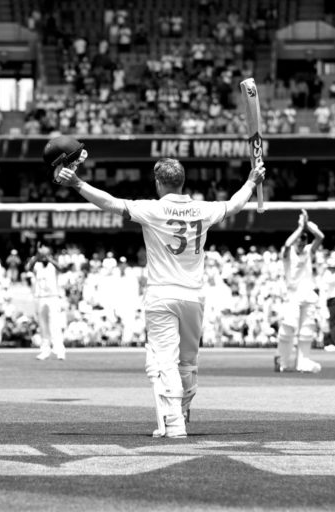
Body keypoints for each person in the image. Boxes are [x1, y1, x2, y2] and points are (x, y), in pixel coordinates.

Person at [55, 156, 264, 438]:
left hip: (161, 294)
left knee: (164, 360)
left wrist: (78, 183)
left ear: (158, 182)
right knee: (188, 361)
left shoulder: (151, 209)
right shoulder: (204, 209)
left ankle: (175, 423)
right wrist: (252, 181)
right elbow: (235, 205)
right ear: (182, 182)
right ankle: (184, 409)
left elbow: (110, 202)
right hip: (194, 295)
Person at [276, 210, 325, 373]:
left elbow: (320, 237)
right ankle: (282, 361)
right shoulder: (288, 252)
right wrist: (299, 227)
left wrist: (308, 225)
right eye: (300, 241)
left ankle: (302, 362)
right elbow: (288, 244)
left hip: (308, 294)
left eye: (304, 242)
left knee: (307, 329)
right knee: (289, 327)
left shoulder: (309, 251)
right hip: (292, 294)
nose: (301, 245)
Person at [25, 245, 67, 361]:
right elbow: (28, 268)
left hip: (52, 297)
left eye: (45, 255)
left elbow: (62, 268)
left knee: (55, 324)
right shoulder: (37, 265)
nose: (43, 257)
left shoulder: (53, 265)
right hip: (40, 297)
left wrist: (49, 259)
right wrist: (35, 257)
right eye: (42, 255)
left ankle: (59, 350)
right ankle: (45, 350)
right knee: (43, 326)